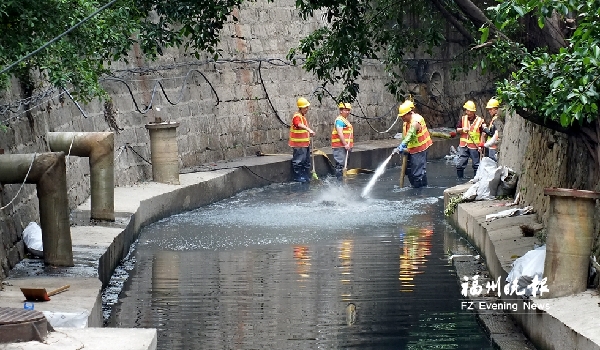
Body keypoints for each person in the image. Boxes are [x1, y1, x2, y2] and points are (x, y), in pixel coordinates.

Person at [392, 100, 433, 188]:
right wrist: (403, 148)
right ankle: (414, 187)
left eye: (403, 116)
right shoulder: (405, 123)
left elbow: (410, 134)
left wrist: (403, 144)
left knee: (418, 173)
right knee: (409, 171)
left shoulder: (416, 121)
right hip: (411, 149)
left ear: (409, 113)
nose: (402, 118)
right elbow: (405, 136)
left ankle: (421, 192)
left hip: (420, 149)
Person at [288, 97, 315, 182]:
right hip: (298, 144)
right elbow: (298, 124)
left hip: (305, 144)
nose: (307, 109)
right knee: (298, 161)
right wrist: (308, 129)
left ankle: (305, 175)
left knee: (306, 161)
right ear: (301, 108)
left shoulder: (303, 117)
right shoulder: (297, 116)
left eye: (307, 107)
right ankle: (298, 176)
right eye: (305, 107)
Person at [455, 100, 484, 179]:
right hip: (463, 146)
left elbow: (483, 134)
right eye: (466, 110)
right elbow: (457, 130)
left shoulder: (480, 121)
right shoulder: (463, 119)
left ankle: (476, 179)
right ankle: (460, 180)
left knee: (476, 165)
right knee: (460, 164)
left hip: (474, 146)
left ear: (473, 111)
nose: (467, 112)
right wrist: (462, 129)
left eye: (469, 111)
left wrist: (481, 145)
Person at [331, 102, 354, 179]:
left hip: (345, 147)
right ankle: (339, 182)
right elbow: (340, 133)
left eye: (348, 110)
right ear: (341, 111)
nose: (347, 112)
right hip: (340, 146)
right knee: (340, 165)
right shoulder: (340, 120)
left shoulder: (345, 120)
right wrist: (345, 144)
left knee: (345, 165)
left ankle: (343, 179)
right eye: (345, 110)